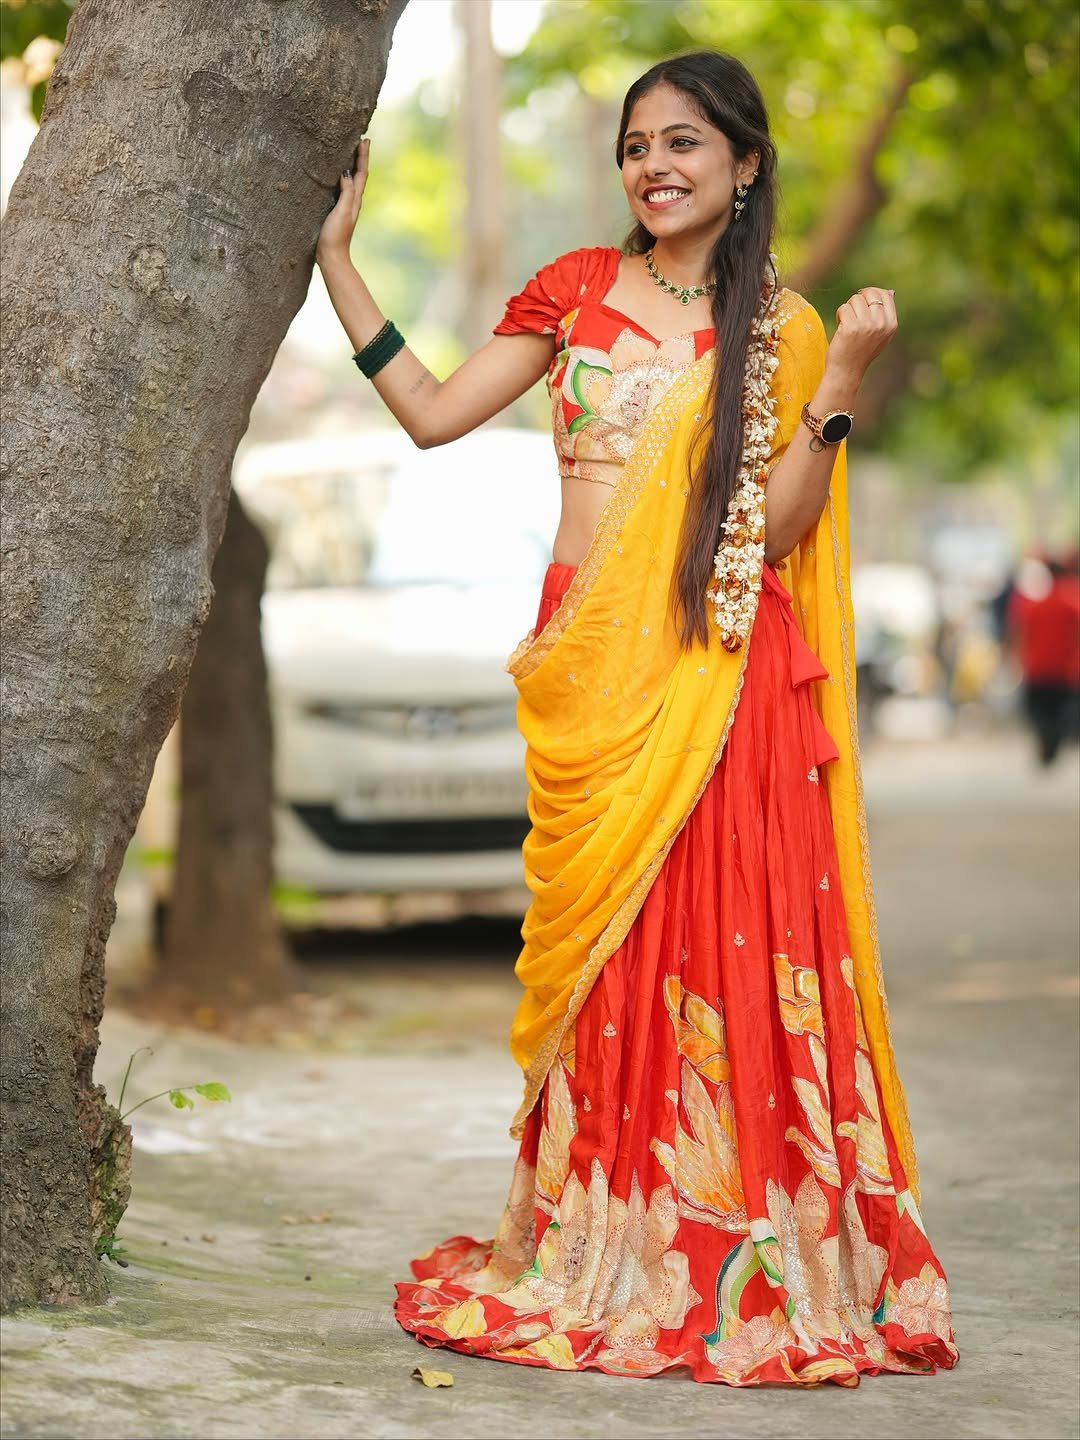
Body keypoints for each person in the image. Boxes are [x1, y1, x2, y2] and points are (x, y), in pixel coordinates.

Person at [316, 50, 957, 1387]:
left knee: (722, 952)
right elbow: (431, 415)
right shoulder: (577, 293)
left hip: (718, 666)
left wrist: (839, 372)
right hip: (590, 667)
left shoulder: (781, 328)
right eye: (636, 145)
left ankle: (738, 1254)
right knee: (608, 966)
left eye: (685, 142)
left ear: (745, 164)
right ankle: (600, 1240)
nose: (654, 165)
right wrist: (339, 259)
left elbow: (776, 534)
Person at [1006, 551, 1080, 766]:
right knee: (1061, 712)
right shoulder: (1073, 602)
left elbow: (1018, 633)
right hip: (1066, 671)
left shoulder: (1033, 605)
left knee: (1040, 713)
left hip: (1037, 669)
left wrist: (1015, 660)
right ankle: (1055, 738)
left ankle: (1049, 740)